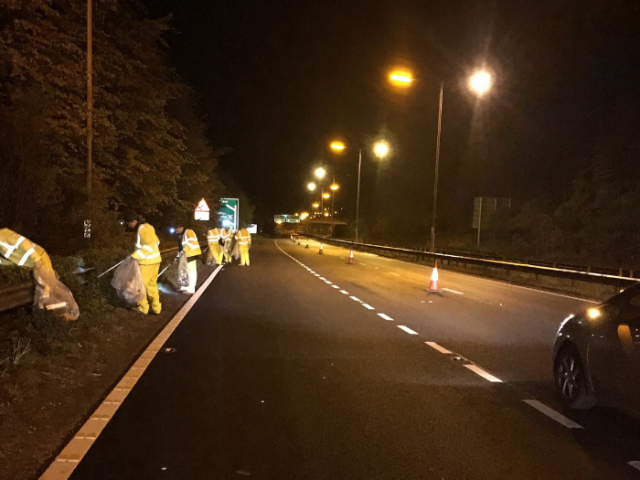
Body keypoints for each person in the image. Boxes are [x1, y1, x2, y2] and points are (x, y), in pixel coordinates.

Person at [125, 211, 162, 315]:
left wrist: (135, 256)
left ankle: (143, 308)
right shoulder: (149, 227)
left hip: (146, 262)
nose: (129, 225)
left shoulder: (141, 229)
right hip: (155, 260)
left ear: (134, 221)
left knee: (140, 286)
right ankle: (156, 308)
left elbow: (148, 246)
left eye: (129, 223)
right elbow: (156, 242)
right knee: (152, 285)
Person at [175, 222, 201, 294]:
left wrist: (184, 251)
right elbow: (181, 248)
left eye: (177, 228)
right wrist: (177, 257)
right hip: (187, 254)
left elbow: (191, 242)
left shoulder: (188, 231)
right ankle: (186, 286)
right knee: (186, 270)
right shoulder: (182, 235)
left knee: (191, 271)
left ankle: (191, 288)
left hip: (191, 254)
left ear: (181, 227)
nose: (176, 231)